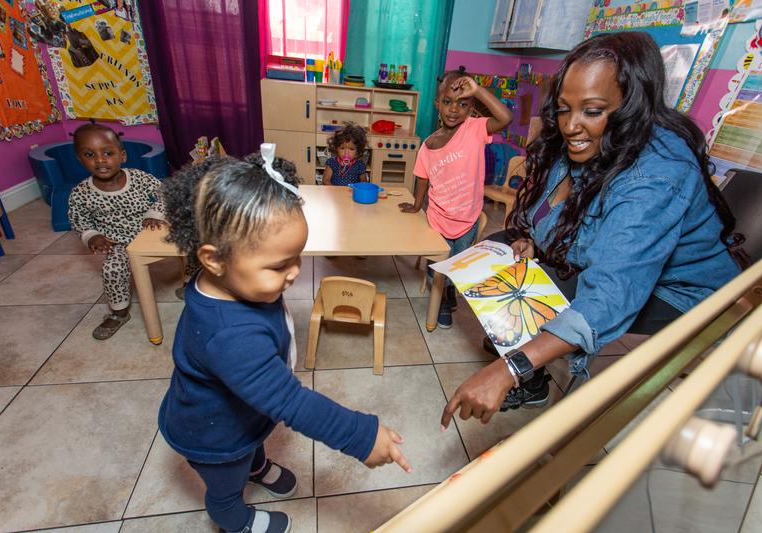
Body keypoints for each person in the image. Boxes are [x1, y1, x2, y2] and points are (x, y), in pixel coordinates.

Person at [441, 32, 745, 426]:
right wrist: (529, 240)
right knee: (498, 247)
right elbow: (554, 216)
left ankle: (525, 371)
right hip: (617, 262)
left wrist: (507, 370)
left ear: (631, 106)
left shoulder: (657, 173)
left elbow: (611, 293)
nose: (571, 126)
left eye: (593, 110)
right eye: (565, 109)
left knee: (532, 289)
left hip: (682, 294)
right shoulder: (586, 145)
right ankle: (529, 368)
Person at [158, 146, 411, 533]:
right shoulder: (230, 335)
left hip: (242, 412)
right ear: (214, 259)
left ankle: (256, 465)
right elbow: (288, 400)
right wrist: (359, 435)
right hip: (213, 433)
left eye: (297, 258)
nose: (294, 273)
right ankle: (237, 521)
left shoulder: (231, 282)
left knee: (254, 437)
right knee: (226, 487)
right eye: (279, 265)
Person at [399, 66, 513, 328]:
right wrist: (417, 206)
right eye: (448, 102)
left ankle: (448, 292)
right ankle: (438, 297)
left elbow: (505, 117)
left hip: (467, 218)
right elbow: (423, 178)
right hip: (437, 218)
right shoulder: (428, 145)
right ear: (437, 103)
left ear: (471, 106)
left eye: (462, 103)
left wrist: (478, 89)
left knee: (457, 267)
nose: (453, 109)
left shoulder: (475, 129)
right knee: (435, 267)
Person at [68, 123, 165, 340]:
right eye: (90, 154)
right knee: (112, 269)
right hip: (119, 242)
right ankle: (119, 312)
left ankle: (189, 281)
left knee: (191, 239)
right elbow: (78, 219)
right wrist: (91, 236)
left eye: (108, 153)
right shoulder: (81, 192)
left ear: (122, 155)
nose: (100, 160)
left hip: (149, 232)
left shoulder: (138, 177)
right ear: (80, 159)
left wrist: (155, 213)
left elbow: (165, 193)